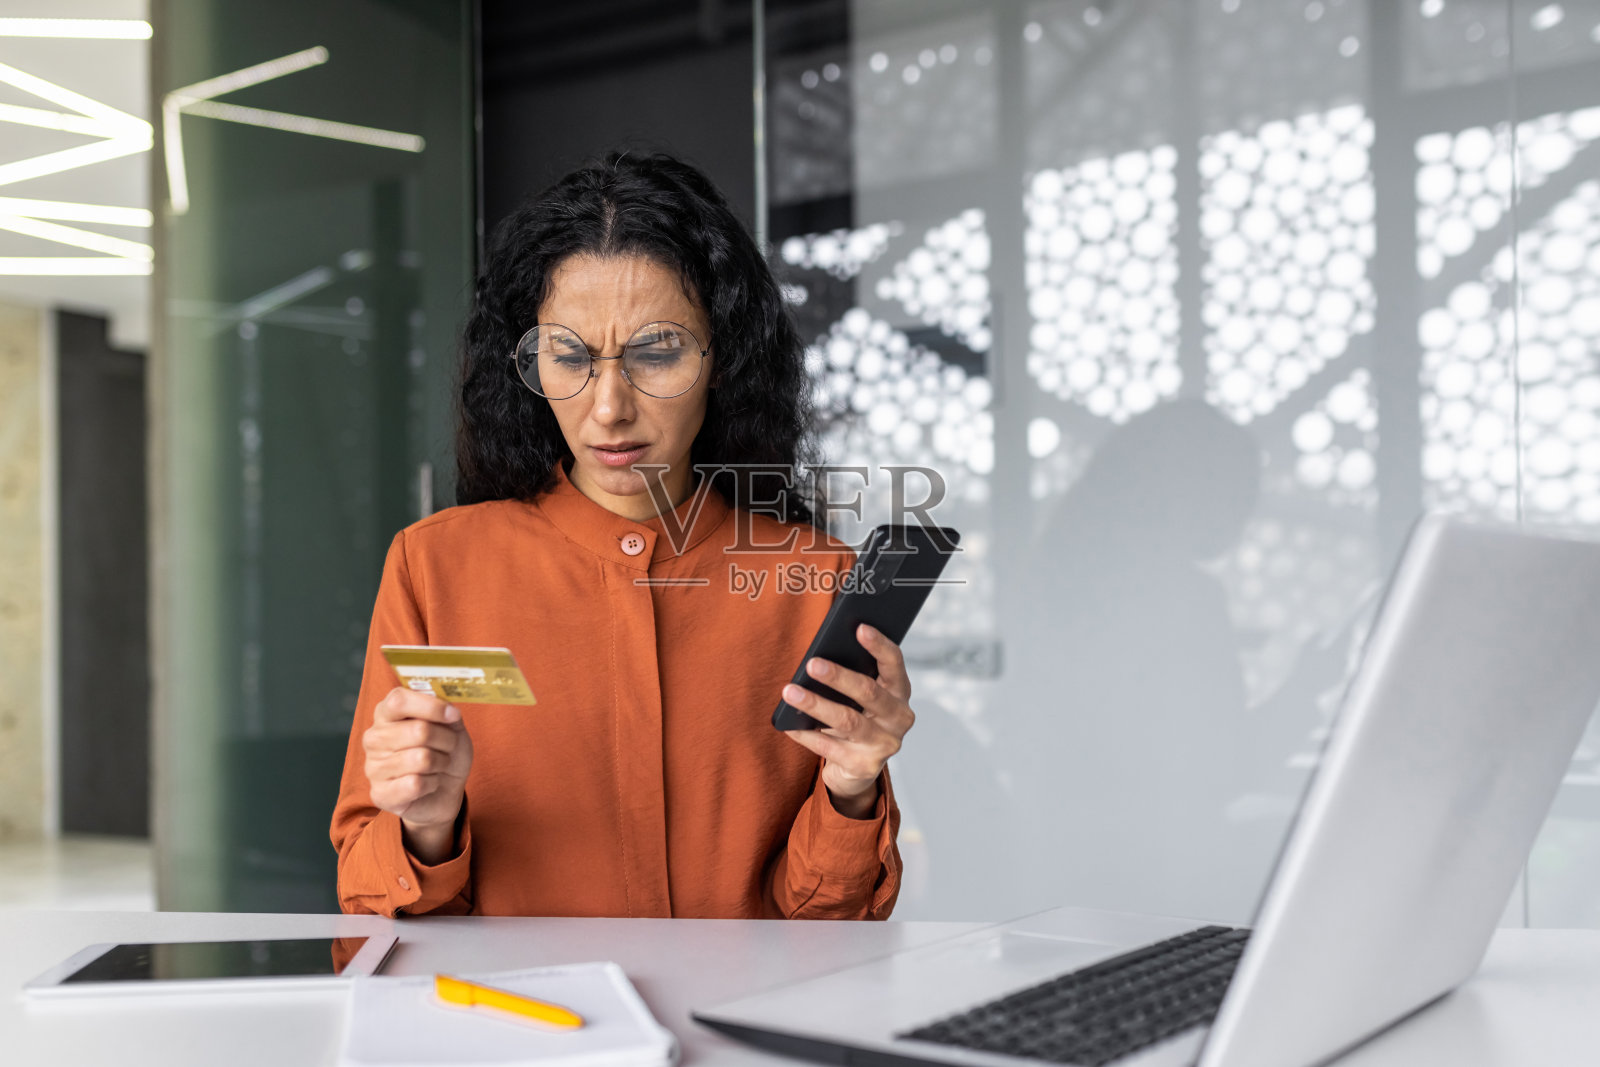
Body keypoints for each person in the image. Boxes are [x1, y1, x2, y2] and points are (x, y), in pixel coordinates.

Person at [330, 152, 913, 920]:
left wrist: (851, 786)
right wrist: (428, 824)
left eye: (658, 351)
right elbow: (369, 902)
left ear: (724, 360)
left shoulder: (814, 579)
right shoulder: (435, 566)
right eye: (568, 356)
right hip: (521, 1033)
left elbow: (828, 924)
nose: (608, 408)